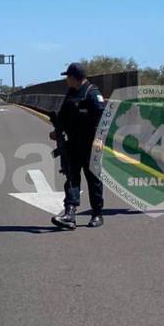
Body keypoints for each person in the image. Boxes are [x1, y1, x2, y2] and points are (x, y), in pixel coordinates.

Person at [50, 62, 106, 230]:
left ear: (75, 77)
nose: (66, 80)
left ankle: (97, 214)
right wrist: (57, 131)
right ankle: (70, 214)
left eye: (68, 76)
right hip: (73, 144)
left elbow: (103, 121)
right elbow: (63, 116)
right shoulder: (71, 93)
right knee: (71, 178)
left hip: (90, 145)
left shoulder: (92, 94)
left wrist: (98, 140)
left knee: (93, 180)